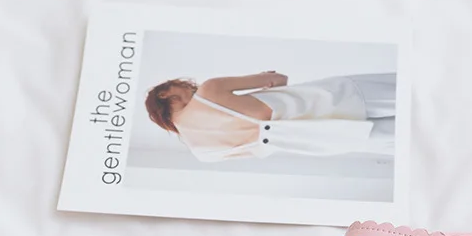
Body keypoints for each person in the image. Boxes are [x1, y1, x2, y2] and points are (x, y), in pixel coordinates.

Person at [144, 71, 396, 162]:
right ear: (165, 93)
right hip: (336, 97)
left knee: (412, 137)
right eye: (184, 86)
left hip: (331, 138)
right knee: (411, 93)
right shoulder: (209, 90)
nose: (191, 88)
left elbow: (261, 149)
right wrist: (265, 82)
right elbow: (277, 78)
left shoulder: (204, 153)